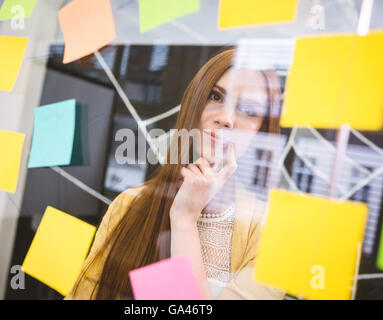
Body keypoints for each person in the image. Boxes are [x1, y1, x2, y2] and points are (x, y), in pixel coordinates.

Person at [65, 48, 285, 300]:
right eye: (215, 96)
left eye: (248, 110)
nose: (225, 118)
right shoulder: (130, 203)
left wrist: (184, 220)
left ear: (262, 130)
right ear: (195, 102)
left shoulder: (271, 235)